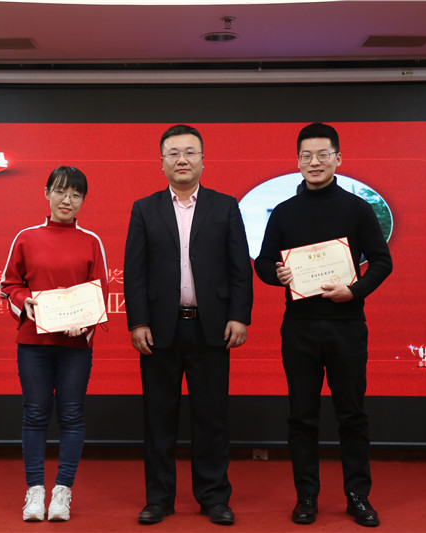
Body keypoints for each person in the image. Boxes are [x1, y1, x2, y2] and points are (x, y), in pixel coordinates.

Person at [254, 123, 392, 528]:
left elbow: (382, 261)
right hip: (299, 328)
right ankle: (307, 497)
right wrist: (276, 274)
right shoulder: (283, 212)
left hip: (347, 326)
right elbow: (263, 263)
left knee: (352, 415)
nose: (314, 162)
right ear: (298, 161)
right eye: (306, 155)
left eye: (323, 154)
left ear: (338, 159)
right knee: (302, 416)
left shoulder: (357, 209)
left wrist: (355, 290)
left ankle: (358, 496)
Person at [124, 124, 253, 526]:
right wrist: (138, 321)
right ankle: (159, 498)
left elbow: (240, 268)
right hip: (160, 329)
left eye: (190, 152)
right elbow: (135, 272)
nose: (182, 159)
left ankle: (213, 497)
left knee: (211, 418)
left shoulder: (225, 206)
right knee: (158, 418)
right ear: (162, 161)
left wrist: (239, 315)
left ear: (202, 159)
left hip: (210, 327)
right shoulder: (144, 209)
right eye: (174, 153)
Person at [0, 166, 108, 522]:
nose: (67, 200)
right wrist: (25, 302)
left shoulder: (91, 241)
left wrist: (85, 322)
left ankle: (62, 492)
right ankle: (34, 491)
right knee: (35, 413)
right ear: (47, 193)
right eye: (60, 191)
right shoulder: (26, 237)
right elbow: (8, 285)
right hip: (34, 341)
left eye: (76, 195)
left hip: (75, 345)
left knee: (72, 415)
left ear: (83, 201)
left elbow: (100, 291)